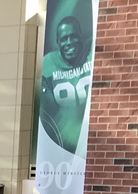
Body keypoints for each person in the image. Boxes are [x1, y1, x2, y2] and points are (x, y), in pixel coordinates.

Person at [39, 14, 93, 154]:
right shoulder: (47, 65)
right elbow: (52, 117)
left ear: (81, 36)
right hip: (66, 145)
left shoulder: (93, 51)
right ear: (57, 42)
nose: (69, 42)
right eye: (64, 39)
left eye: (73, 36)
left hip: (93, 138)